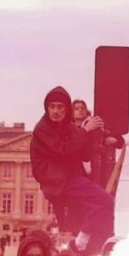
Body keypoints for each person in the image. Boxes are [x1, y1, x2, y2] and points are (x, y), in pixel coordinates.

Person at [29, 87, 116, 247]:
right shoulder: (42, 129)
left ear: (66, 109)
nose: (55, 111)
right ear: (47, 108)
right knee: (105, 200)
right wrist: (85, 130)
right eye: (52, 106)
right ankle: (81, 240)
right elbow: (64, 150)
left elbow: (84, 154)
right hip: (56, 178)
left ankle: (83, 241)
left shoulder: (68, 126)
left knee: (99, 205)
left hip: (67, 175)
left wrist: (97, 138)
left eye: (59, 107)